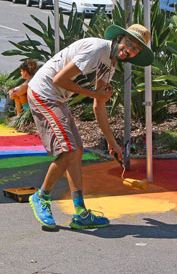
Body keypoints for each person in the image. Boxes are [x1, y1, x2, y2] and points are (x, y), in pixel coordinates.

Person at [26, 24, 154, 231]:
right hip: (44, 93)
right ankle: (41, 197)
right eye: (129, 43)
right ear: (120, 38)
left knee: (77, 152)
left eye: (135, 49)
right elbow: (60, 79)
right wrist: (97, 94)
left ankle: (81, 213)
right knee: (68, 151)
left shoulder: (110, 64)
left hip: (58, 98)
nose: (129, 49)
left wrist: (113, 143)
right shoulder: (96, 49)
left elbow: (99, 105)